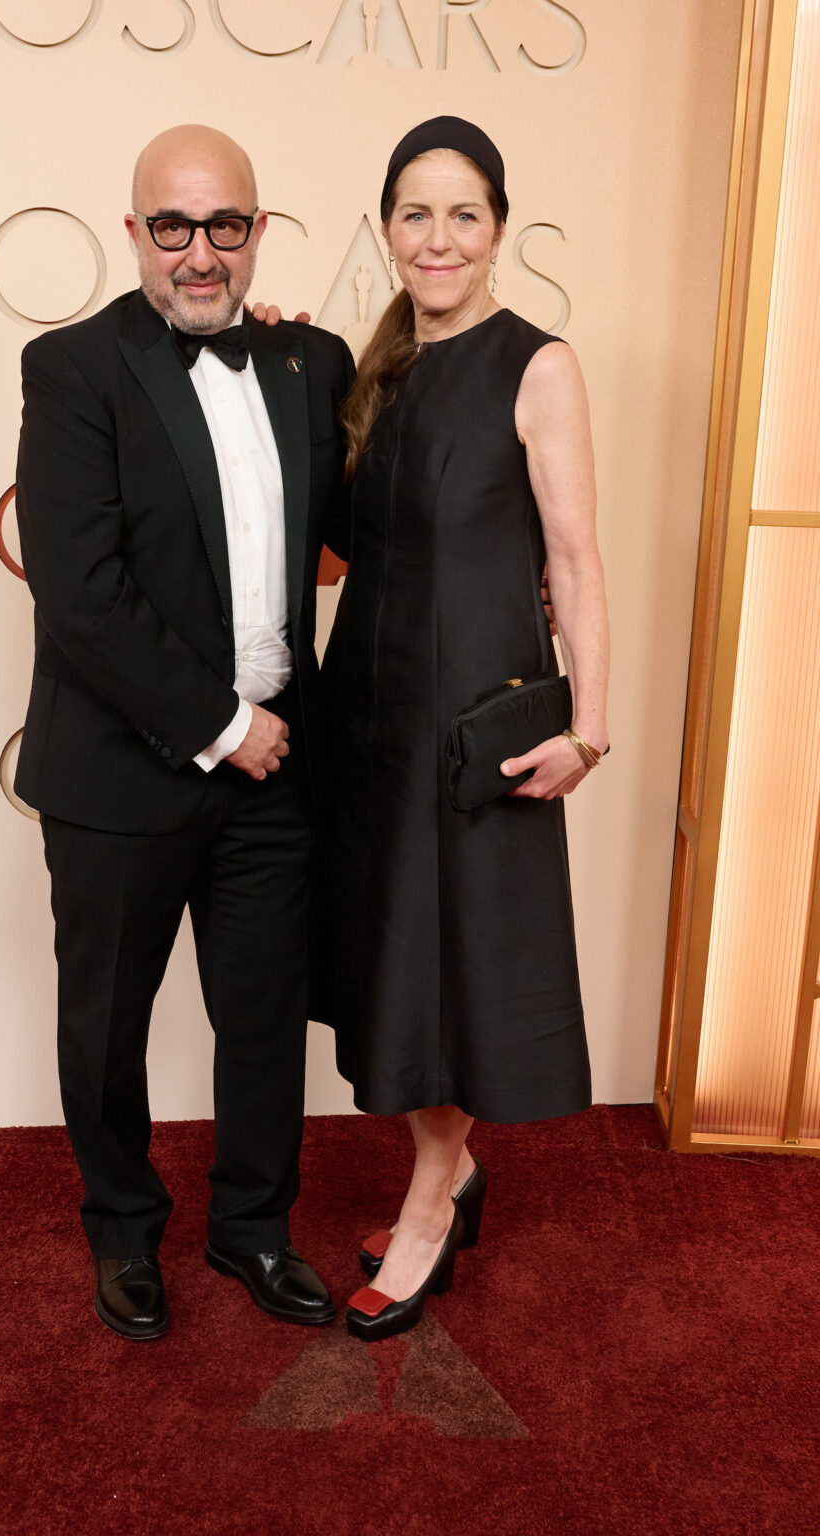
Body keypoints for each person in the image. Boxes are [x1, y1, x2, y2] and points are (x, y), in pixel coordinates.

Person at [13, 125, 354, 1340]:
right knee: (104, 1026)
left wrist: (523, 572)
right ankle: (122, 1234)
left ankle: (254, 1230)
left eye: (226, 226)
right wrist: (223, 726)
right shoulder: (72, 369)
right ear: (135, 233)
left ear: (259, 232)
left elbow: (378, 530)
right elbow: (82, 592)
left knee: (263, 1019)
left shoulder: (313, 364)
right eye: (174, 226)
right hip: (121, 773)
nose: (200, 254)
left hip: (277, 777)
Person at [321, 117, 610, 1341]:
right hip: (368, 720)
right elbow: (341, 551)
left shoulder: (537, 365)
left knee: (454, 977)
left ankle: (434, 1199)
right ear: (387, 228)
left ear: (497, 229)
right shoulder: (373, 369)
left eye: (463, 215)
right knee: (396, 967)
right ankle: (455, 1168)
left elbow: (576, 560)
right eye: (414, 214)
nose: (437, 239)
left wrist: (590, 728)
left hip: (473, 727)